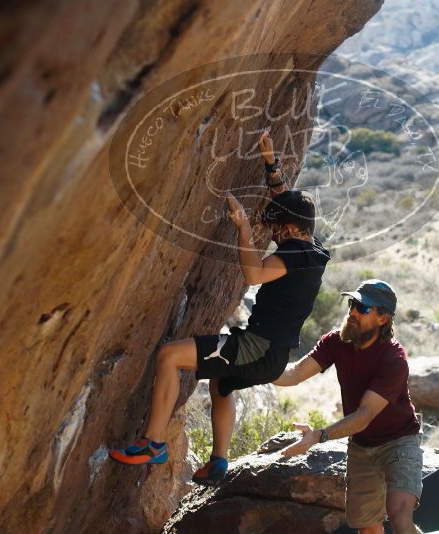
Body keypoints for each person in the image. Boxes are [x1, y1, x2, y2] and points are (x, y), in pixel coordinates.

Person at [109, 132, 331, 488]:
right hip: (272, 354)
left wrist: (243, 228)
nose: (272, 234)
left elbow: (253, 272)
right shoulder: (314, 249)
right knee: (221, 384)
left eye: (275, 228)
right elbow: (285, 199)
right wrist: (271, 162)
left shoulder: (291, 254)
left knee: (169, 356)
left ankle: (153, 444)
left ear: (289, 229)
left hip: (255, 348)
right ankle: (219, 461)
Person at [274, 280, 423, 534]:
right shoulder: (336, 342)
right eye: (352, 303)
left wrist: (319, 436)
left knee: (399, 517)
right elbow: (295, 374)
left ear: (382, 319)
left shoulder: (393, 359)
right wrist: (252, 369)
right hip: (362, 446)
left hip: (399, 442)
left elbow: (364, 415)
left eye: (363, 308)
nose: (353, 311)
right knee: (368, 528)